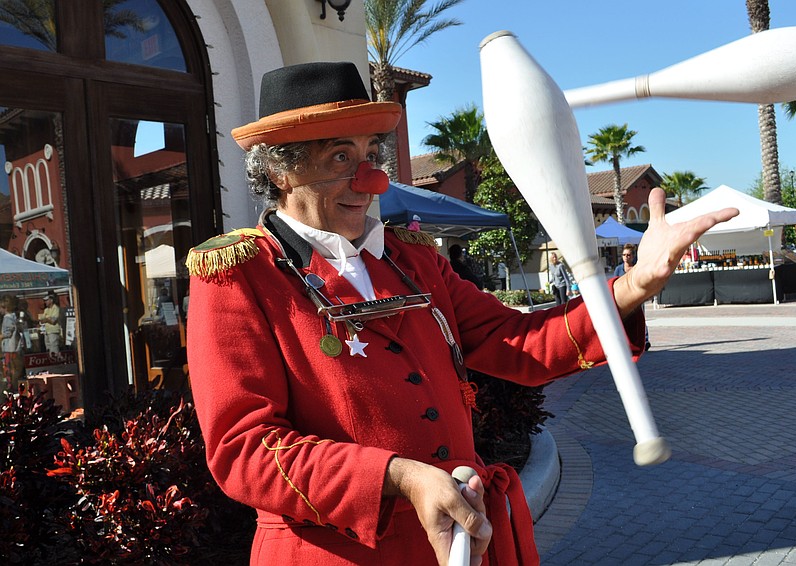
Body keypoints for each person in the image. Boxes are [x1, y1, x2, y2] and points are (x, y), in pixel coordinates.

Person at [185, 61, 737, 566]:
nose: (371, 179)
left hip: (458, 546)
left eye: (371, 155)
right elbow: (244, 449)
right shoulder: (236, 275)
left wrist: (634, 285)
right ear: (282, 171)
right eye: (340, 158)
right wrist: (398, 477)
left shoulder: (413, 261)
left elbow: (517, 340)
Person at [613, 244, 651, 350]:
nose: (626, 257)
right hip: (623, 299)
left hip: (637, 296)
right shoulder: (618, 269)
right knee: (624, 320)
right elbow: (614, 282)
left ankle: (645, 340)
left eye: (628, 255)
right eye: (624, 255)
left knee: (640, 318)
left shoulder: (637, 268)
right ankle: (626, 341)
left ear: (633, 256)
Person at [1, 295, 25, 391]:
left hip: (9, 348)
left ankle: (11, 386)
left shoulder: (7, 318)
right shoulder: (14, 316)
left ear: (5, 308)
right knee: (15, 368)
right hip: (15, 347)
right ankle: (14, 385)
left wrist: (1, 336)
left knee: (9, 369)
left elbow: (7, 333)